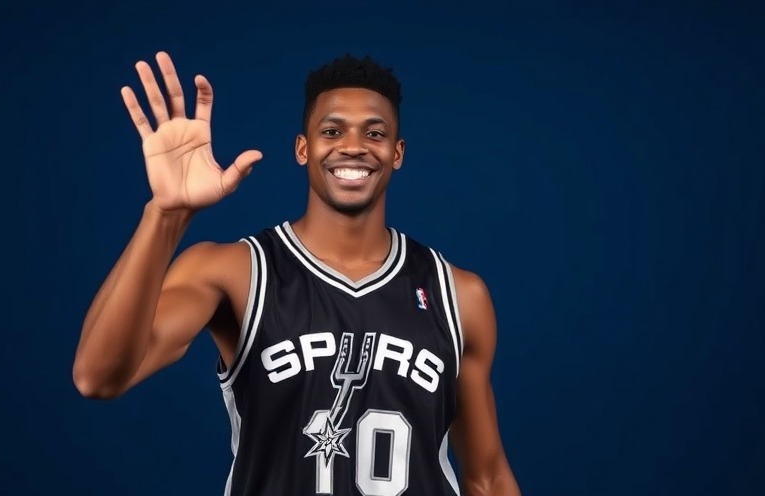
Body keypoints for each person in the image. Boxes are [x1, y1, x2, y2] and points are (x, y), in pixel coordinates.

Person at [72, 50, 521, 496]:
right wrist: (167, 215)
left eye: (375, 132)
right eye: (332, 130)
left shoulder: (458, 293)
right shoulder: (235, 272)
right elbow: (99, 376)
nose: (352, 145)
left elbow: (488, 478)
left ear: (397, 152)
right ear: (303, 148)